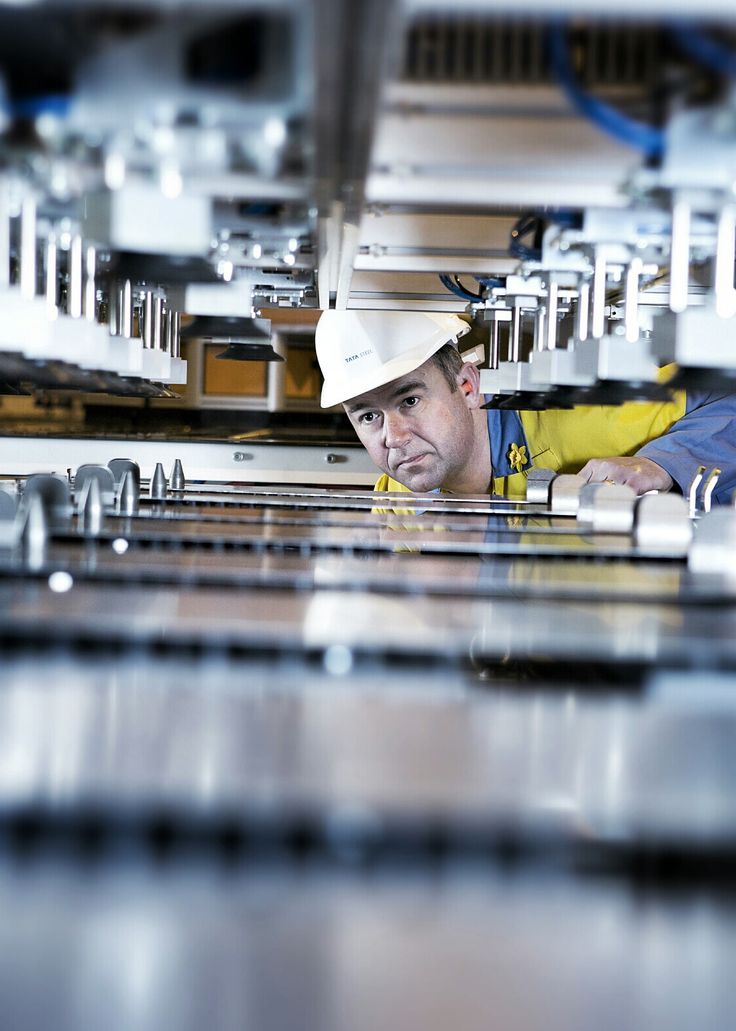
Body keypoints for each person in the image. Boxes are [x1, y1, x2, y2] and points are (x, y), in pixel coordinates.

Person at [315, 309, 736, 503]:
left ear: (465, 386)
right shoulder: (396, 501)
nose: (394, 439)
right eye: (368, 416)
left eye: (410, 400)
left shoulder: (591, 414)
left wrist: (662, 465)